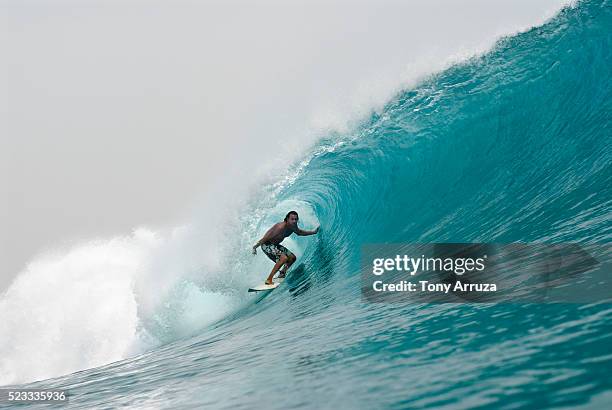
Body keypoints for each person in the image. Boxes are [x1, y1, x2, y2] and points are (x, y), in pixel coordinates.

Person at [252, 211, 319, 285]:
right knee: (283, 258)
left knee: (292, 258)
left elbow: (299, 232)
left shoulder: (293, 226)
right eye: (292, 219)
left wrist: (313, 232)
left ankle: (282, 273)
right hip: (266, 245)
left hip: (275, 245)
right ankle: (269, 279)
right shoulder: (279, 227)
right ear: (287, 219)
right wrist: (255, 247)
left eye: (296, 219)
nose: (294, 221)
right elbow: (265, 238)